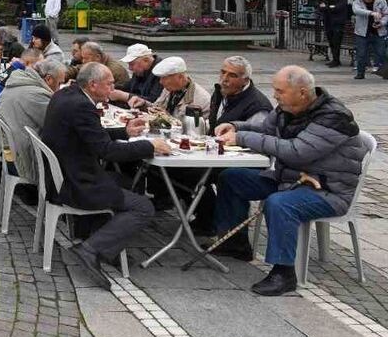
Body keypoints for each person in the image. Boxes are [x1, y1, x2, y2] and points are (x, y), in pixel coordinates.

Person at [212, 66, 368, 296]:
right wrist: (236, 126)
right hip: (291, 179)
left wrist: (242, 137)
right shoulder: (288, 108)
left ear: (302, 93)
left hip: (327, 189)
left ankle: (284, 273)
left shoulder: (333, 117)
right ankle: (235, 244)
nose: (275, 95)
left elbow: (297, 152)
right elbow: (265, 129)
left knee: (279, 203)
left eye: (280, 91)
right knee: (232, 177)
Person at [39, 62, 171, 287]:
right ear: (92, 85)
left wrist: (125, 132)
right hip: (75, 182)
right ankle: (91, 249)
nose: (113, 88)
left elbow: (92, 136)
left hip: (64, 172)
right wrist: (150, 146)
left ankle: (100, 239)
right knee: (144, 207)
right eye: (109, 84)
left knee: (129, 182)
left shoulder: (67, 94)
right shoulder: (82, 106)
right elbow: (106, 151)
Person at [0, 58, 67, 185]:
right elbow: (59, 126)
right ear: (49, 79)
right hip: (24, 160)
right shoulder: (37, 95)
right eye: (59, 83)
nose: (60, 88)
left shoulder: (18, 83)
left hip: (8, 153)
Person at [131, 56, 212, 121]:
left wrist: (167, 118)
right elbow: (157, 107)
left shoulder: (201, 100)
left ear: (180, 77)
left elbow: (196, 128)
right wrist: (144, 104)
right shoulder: (170, 89)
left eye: (164, 78)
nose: (160, 82)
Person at [207, 56, 273, 127]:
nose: (224, 79)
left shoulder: (257, 108)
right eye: (223, 72)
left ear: (245, 80)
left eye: (232, 75)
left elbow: (258, 132)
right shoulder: (220, 91)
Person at [351, 0, 387, 80]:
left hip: (378, 32)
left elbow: (386, 14)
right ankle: (360, 73)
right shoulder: (358, 1)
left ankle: (385, 72)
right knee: (361, 54)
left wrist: (382, 23)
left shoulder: (380, 1)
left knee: (382, 53)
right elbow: (356, 10)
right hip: (362, 32)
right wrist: (371, 13)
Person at [316, 0, 351, 67]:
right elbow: (320, 8)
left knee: (336, 42)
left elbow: (338, 8)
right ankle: (335, 59)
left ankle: (336, 60)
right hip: (328, 23)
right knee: (331, 42)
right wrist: (329, 7)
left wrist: (327, 7)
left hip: (338, 24)